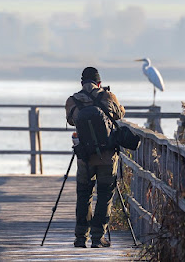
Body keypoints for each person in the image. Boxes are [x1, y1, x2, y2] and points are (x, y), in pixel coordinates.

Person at [65, 67, 125, 248]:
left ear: (82, 83)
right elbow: (120, 114)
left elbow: (71, 121)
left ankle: (80, 238)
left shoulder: (72, 100)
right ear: (99, 83)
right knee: (105, 194)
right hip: (107, 155)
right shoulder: (108, 97)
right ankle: (98, 238)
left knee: (84, 195)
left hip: (84, 156)